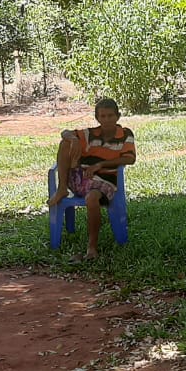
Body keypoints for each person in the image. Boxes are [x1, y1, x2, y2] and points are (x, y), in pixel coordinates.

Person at [48, 98, 136, 260]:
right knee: (65, 143)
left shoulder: (125, 134)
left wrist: (100, 165)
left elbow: (130, 159)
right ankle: (62, 189)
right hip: (80, 178)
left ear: (118, 116)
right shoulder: (90, 134)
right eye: (103, 116)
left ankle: (92, 247)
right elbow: (65, 132)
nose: (107, 120)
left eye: (110, 116)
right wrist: (73, 139)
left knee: (92, 198)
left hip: (105, 182)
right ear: (97, 118)